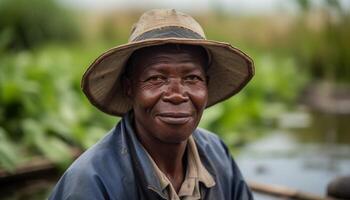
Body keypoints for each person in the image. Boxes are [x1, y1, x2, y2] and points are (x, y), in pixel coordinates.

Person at [50, 8, 254, 200]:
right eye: (157, 78)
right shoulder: (90, 182)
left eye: (192, 78)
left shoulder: (218, 155)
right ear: (129, 87)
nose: (176, 95)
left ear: (206, 86)